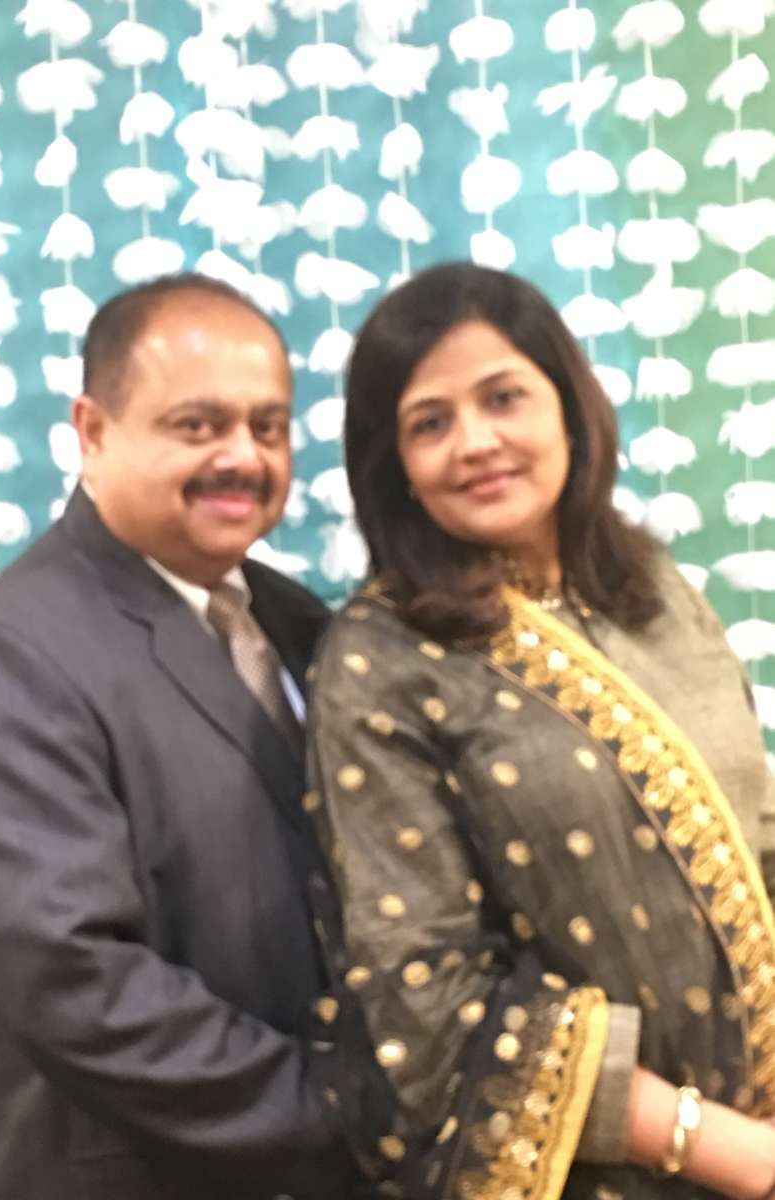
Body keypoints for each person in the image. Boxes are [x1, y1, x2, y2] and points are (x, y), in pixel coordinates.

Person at [304, 262, 775, 1200]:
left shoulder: (652, 590)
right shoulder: (379, 659)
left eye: (503, 398)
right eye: (429, 423)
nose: (474, 442)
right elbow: (426, 993)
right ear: (394, 466)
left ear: (569, 407)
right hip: (624, 1172)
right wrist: (730, 1151)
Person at [0, 273, 354, 1200]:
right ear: (92, 431)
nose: (243, 456)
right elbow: (77, 985)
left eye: (268, 427)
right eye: (198, 425)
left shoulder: (303, 626)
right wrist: (349, 1115)